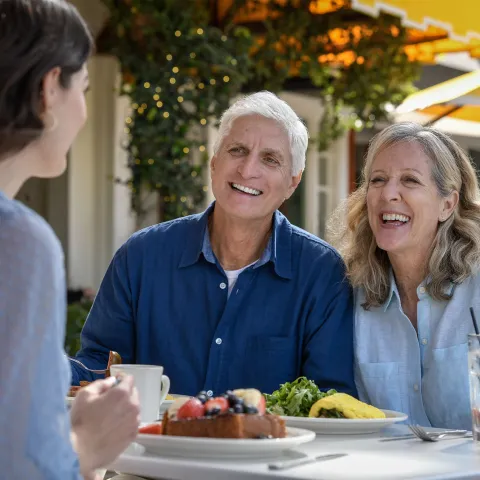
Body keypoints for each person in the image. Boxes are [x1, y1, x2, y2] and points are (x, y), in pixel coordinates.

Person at [71, 91, 357, 397]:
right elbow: (99, 367)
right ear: (214, 163)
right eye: (238, 150)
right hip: (155, 444)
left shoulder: (321, 273)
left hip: (270, 445)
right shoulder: (141, 256)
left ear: (293, 182)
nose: (248, 170)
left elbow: (328, 399)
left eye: (270, 159)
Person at [0, 1, 140, 479]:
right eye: (82, 88)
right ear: (47, 91)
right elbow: (23, 467)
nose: (84, 110)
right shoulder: (18, 241)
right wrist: (86, 446)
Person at [328, 121, 480, 429]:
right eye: (378, 180)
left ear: (447, 204)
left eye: (410, 180)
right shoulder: (347, 293)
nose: (389, 194)